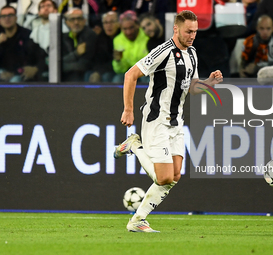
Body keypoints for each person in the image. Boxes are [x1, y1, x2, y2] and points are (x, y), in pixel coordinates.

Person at [113, 10, 223, 232]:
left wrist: (209, 83)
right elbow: (130, 75)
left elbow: (191, 87)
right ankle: (134, 145)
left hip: (176, 122)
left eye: (195, 31)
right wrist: (128, 109)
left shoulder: (192, 53)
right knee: (164, 178)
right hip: (157, 120)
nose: (192, 36)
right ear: (176, 29)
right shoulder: (163, 52)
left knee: (175, 176)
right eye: (188, 31)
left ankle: (137, 220)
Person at [0, 5, 46, 82]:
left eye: (10, 15)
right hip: (2, 74)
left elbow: (43, 57)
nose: (6, 18)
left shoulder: (27, 35)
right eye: (3, 16)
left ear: (16, 18)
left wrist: (36, 68)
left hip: (20, 76)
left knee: (15, 80)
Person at [112, 10, 149, 83]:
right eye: (124, 29)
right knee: (117, 79)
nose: (128, 32)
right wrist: (118, 61)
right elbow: (119, 70)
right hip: (128, 72)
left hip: (146, 73)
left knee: (147, 80)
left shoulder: (147, 36)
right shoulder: (117, 40)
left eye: (131, 27)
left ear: (137, 25)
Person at [61, 8, 97, 81]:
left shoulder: (90, 35)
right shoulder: (63, 37)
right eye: (72, 19)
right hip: (66, 75)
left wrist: (62, 66)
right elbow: (59, 60)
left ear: (84, 21)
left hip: (84, 74)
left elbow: (84, 65)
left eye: (79, 19)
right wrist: (76, 54)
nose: (76, 22)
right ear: (67, 22)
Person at [87, 11, 119, 82]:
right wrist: (97, 71)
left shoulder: (122, 37)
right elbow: (97, 59)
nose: (109, 25)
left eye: (112, 22)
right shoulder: (99, 38)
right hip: (103, 69)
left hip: (118, 69)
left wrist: (99, 72)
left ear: (118, 23)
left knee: (106, 77)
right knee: (87, 75)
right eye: (106, 23)